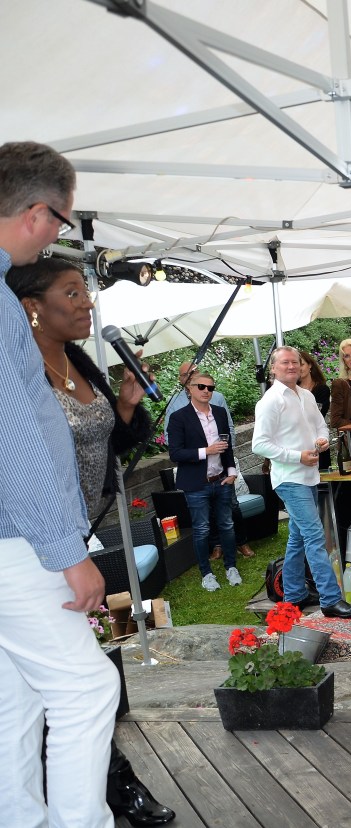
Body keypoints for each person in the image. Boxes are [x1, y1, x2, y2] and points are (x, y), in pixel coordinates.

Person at [6, 253, 174, 827]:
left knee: (34, 691)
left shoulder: (77, 361)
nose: (88, 304)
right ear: (31, 308)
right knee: (84, 685)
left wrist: (126, 402)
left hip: (81, 527)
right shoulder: (18, 368)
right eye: (73, 293)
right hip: (37, 538)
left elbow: (112, 444)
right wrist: (62, 547)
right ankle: (112, 785)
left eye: (87, 292)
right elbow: (21, 457)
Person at [0, 140, 123, 827]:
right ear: (38, 213)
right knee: (85, 689)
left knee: (14, 702)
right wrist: (66, 550)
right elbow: (11, 436)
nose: (55, 236)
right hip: (15, 540)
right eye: (62, 222)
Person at [252, 346, 351, 619]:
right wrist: (297, 456)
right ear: (273, 369)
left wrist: (321, 440)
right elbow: (259, 444)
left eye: (295, 362)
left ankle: (293, 596)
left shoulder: (306, 395)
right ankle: (330, 599)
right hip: (289, 478)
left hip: (309, 475)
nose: (292, 366)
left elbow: (320, 426)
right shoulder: (270, 401)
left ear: (303, 366)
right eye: (285, 363)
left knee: (299, 537)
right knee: (314, 536)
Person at [167, 372, 241, 593]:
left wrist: (231, 471)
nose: (206, 391)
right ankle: (206, 574)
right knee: (201, 529)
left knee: (227, 525)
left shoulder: (219, 412)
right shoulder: (179, 417)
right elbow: (175, 453)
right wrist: (205, 451)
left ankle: (231, 567)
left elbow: (227, 445)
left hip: (221, 479)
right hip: (196, 483)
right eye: (201, 386)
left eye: (210, 387)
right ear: (189, 388)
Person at [163, 360, 230, 441]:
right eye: (185, 375)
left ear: (199, 373)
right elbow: (169, 435)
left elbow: (229, 428)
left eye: (193, 373)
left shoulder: (217, 397)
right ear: (180, 379)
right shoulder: (173, 402)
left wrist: (229, 447)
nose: (190, 377)